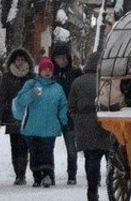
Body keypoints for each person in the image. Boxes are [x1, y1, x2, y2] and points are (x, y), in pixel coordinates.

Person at [12, 56, 69, 188]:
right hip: (31, 127)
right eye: (44, 69)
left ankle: (48, 175)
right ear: (40, 71)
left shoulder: (57, 88)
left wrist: (63, 119)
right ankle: (37, 176)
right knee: (34, 152)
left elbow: (63, 105)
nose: (47, 72)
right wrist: (32, 94)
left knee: (47, 151)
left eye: (50, 69)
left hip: (50, 127)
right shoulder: (31, 84)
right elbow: (20, 101)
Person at [69, 52, 115, 201]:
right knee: (110, 158)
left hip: (85, 126)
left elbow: (71, 106)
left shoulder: (78, 82)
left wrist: (77, 118)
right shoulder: (107, 81)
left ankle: (92, 190)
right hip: (105, 123)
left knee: (91, 159)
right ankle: (111, 187)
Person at [0, 47, 34, 185]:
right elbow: (2, 97)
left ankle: (21, 174)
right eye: (18, 59)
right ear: (13, 60)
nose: (20, 62)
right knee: (14, 145)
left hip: (27, 116)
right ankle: (17, 172)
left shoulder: (31, 77)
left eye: (23, 59)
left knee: (23, 145)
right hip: (11, 116)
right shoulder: (7, 77)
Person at [51, 42, 83, 185]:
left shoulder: (76, 73)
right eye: (58, 58)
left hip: (70, 116)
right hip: (53, 116)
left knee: (71, 148)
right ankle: (48, 172)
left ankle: (72, 174)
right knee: (48, 147)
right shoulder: (50, 74)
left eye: (64, 58)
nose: (62, 61)